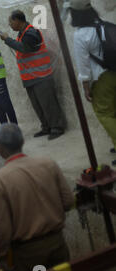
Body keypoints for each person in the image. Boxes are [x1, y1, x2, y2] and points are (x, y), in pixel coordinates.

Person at [0, 123, 75, 271]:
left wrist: (2, 256)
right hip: (57, 243)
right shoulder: (48, 164)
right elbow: (68, 201)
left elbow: (2, 228)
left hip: (30, 253)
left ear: (0, 148)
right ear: (21, 142)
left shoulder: (0, 180)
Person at [0, 10, 66, 141]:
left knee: (48, 104)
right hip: (31, 78)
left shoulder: (31, 32)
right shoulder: (22, 33)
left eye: (11, 21)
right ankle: (46, 127)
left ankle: (57, 127)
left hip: (41, 76)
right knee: (38, 106)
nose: (10, 25)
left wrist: (7, 39)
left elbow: (25, 48)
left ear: (18, 20)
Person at [68, 0, 116, 166]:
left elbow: (83, 66)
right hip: (114, 71)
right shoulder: (104, 25)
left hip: (101, 78)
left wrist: (85, 87)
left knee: (104, 113)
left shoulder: (80, 35)